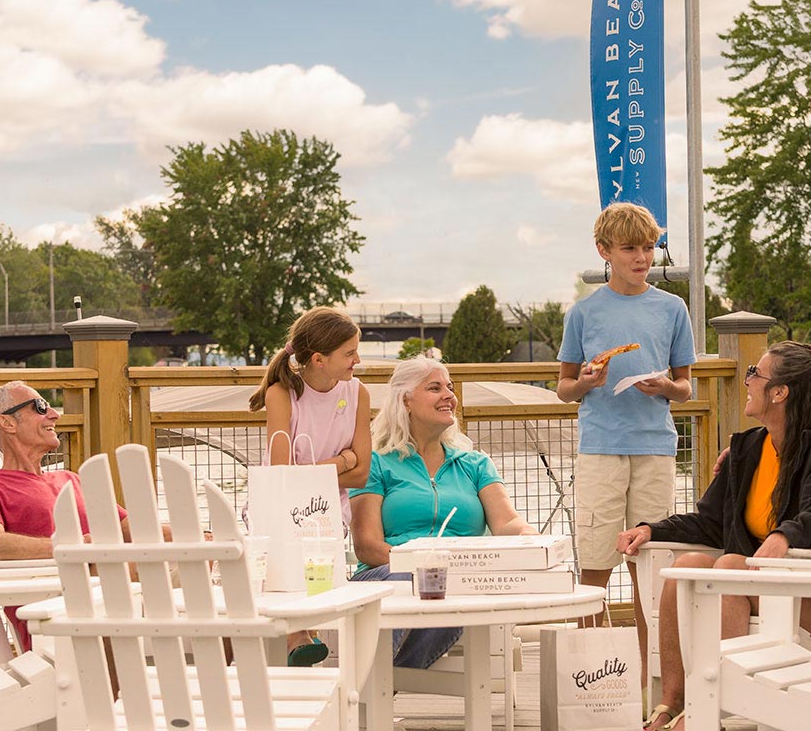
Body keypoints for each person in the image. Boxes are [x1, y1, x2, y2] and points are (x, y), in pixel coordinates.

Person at [618, 342, 811, 731]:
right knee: (685, 568)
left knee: (728, 566)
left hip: (810, 597)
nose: (746, 382)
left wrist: (782, 537)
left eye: (753, 375)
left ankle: (713, 711)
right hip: (759, 585)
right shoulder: (747, 449)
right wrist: (651, 529)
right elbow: (710, 522)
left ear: (780, 392)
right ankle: (672, 700)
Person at [557, 202, 696, 666]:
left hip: (655, 448)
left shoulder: (673, 308)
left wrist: (665, 387)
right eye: (630, 248)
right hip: (601, 449)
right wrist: (587, 383)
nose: (642, 257)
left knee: (650, 570)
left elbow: (686, 386)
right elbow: (563, 388)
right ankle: (591, 677)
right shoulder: (583, 313)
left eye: (649, 247)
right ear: (604, 251)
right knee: (595, 567)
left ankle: (648, 681)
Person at [348, 357, 536, 668]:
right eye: (435, 388)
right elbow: (367, 545)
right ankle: (380, 685)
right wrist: (422, 566)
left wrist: (530, 537)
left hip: (457, 579)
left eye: (449, 387)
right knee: (424, 582)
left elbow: (507, 522)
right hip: (386, 576)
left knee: (455, 587)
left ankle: (379, 685)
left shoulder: (474, 463)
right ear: (405, 401)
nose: (449, 395)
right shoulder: (377, 462)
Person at [0, 379, 132, 652]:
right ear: (7, 423)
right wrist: (76, 548)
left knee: (215, 581)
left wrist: (202, 536)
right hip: (55, 616)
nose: (54, 414)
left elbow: (132, 529)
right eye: (40, 406)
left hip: (120, 597)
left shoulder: (70, 480)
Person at [250, 306, 373, 666]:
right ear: (319, 359)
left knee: (316, 565)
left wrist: (324, 468)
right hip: (280, 511)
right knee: (294, 564)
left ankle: (303, 642)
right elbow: (281, 473)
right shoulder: (281, 394)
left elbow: (362, 473)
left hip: (329, 512)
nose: (357, 360)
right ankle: (300, 639)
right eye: (349, 353)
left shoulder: (357, 393)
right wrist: (342, 460)